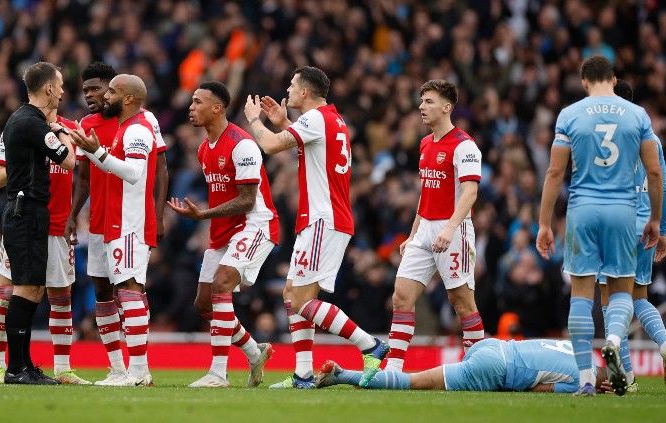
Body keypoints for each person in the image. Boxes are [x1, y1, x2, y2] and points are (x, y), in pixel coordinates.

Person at [244, 66, 388, 389]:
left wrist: (255, 120)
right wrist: (283, 122)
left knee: (302, 302)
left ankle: (370, 345)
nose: (289, 89)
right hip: (323, 219)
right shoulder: (332, 120)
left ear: (305, 92)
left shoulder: (314, 119)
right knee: (290, 293)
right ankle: (304, 375)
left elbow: (268, 146)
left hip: (324, 220)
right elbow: (311, 148)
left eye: (293, 84)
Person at [536, 56, 663, 396]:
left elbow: (553, 173)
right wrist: (654, 220)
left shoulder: (570, 114)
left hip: (583, 209)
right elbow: (654, 173)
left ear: (584, 81)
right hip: (623, 211)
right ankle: (612, 340)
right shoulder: (637, 116)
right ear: (613, 78)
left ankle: (586, 380)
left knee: (581, 292)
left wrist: (544, 224)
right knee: (621, 290)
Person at [167, 81, 277, 388]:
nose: (191, 107)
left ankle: (218, 374)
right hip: (223, 230)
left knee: (222, 284)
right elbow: (221, 196)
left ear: (217, 108)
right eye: (191, 101)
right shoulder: (204, 149)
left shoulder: (242, 145)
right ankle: (255, 353)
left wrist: (203, 215)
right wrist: (208, 221)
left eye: (198, 102)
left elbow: (248, 200)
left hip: (255, 224)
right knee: (204, 305)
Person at [65, 63, 168, 386]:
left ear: (125, 97)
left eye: (107, 90)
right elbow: (98, 173)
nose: (99, 96)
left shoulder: (140, 127)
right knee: (114, 291)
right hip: (108, 222)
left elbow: (137, 173)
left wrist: (97, 151)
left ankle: (137, 371)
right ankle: (124, 370)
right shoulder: (122, 127)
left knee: (129, 289)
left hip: (129, 221)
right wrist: (90, 150)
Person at [383, 80, 485, 373]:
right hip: (425, 228)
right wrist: (413, 233)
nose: (421, 107)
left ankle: (478, 367)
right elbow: (426, 191)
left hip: (454, 228)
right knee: (401, 295)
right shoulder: (425, 143)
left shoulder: (464, 145)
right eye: (421, 101)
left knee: (461, 300)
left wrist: (450, 229)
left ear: (446, 107)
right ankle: (394, 367)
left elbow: (470, 192)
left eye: (428, 101)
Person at [0, 114, 90, 385]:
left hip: (58, 226)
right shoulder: (18, 128)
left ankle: (63, 368)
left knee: (61, 296)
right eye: (57, 86)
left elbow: (81, 173)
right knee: (7, 292)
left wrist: (74, 216)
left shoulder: (70, 129)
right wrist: (29, 164)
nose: (61, 92)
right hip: (24, 223)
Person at [596, 79, 666, 392]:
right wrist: (663, 229)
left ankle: (627, 377)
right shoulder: (651, 138)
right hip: (646, 227)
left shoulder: (602, 138)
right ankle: (665, 347)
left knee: (609, 301)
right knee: (639, 296)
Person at [0, 61, 76, 384]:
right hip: (26, 211)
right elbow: (69, 160)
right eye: (58, 85)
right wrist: (62, 131)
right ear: (47, 88)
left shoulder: (23, 119)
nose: (61, 91)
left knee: (32, 289)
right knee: (27, 288)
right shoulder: (32, 123)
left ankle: (24, 365)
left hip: (27, 211)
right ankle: (16, 369)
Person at [316, 338, 612, 394]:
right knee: (416, 382)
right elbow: (540, 388)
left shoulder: (579, 350)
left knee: (422, 380)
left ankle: (343, 374)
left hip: (491, 345)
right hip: (497, 368)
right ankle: (343, 375)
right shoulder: (579, 381)